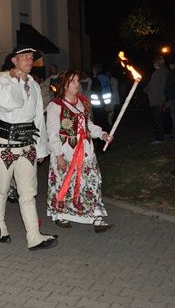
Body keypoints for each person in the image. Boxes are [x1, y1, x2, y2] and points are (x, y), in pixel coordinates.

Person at [0, 44, 58, 251]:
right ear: (14, 61)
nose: (29, 61)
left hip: (27, 145)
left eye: (31, 58)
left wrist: (41, 149)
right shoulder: (1, 83)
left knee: (28, 192)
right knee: (1, 190)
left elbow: (38, 119)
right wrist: (17, 81)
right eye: (25, 57)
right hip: (5, 146)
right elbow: (11, 104)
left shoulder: (35, 86)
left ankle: (34, 236)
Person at [46, 70, 114, 232]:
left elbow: (89, 125)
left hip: (86, 150)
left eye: (77, 81)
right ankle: (60, 214)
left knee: (91, 180)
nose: (77, 84)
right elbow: (52, 133)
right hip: (66, 150)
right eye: (73, 81)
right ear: (65, 85)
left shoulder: (83, 102)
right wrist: (59, 156)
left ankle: (96, 216)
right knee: (64, 183)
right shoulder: (55, 106)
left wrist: (102, 134)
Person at [144, 56, 169, 144]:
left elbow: (151, 86)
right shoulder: (165, 71)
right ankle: (164, 133)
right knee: (162, 117)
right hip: (161, 97)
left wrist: (145, 89)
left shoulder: (157, 73)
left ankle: (159, 138)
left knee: (157, 118)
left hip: (156, 98)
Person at [88, 64, 112, 130]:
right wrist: (107, 105)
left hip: (99, 106)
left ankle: (100, 139)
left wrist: (103, 106)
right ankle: (106, 137)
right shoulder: (106, 78)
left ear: (95, 70)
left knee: (99, 124)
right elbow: (110, 90)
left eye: (93, 70)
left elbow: (98, 93)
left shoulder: (96, 79)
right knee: (105, 122)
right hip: (106, 104)